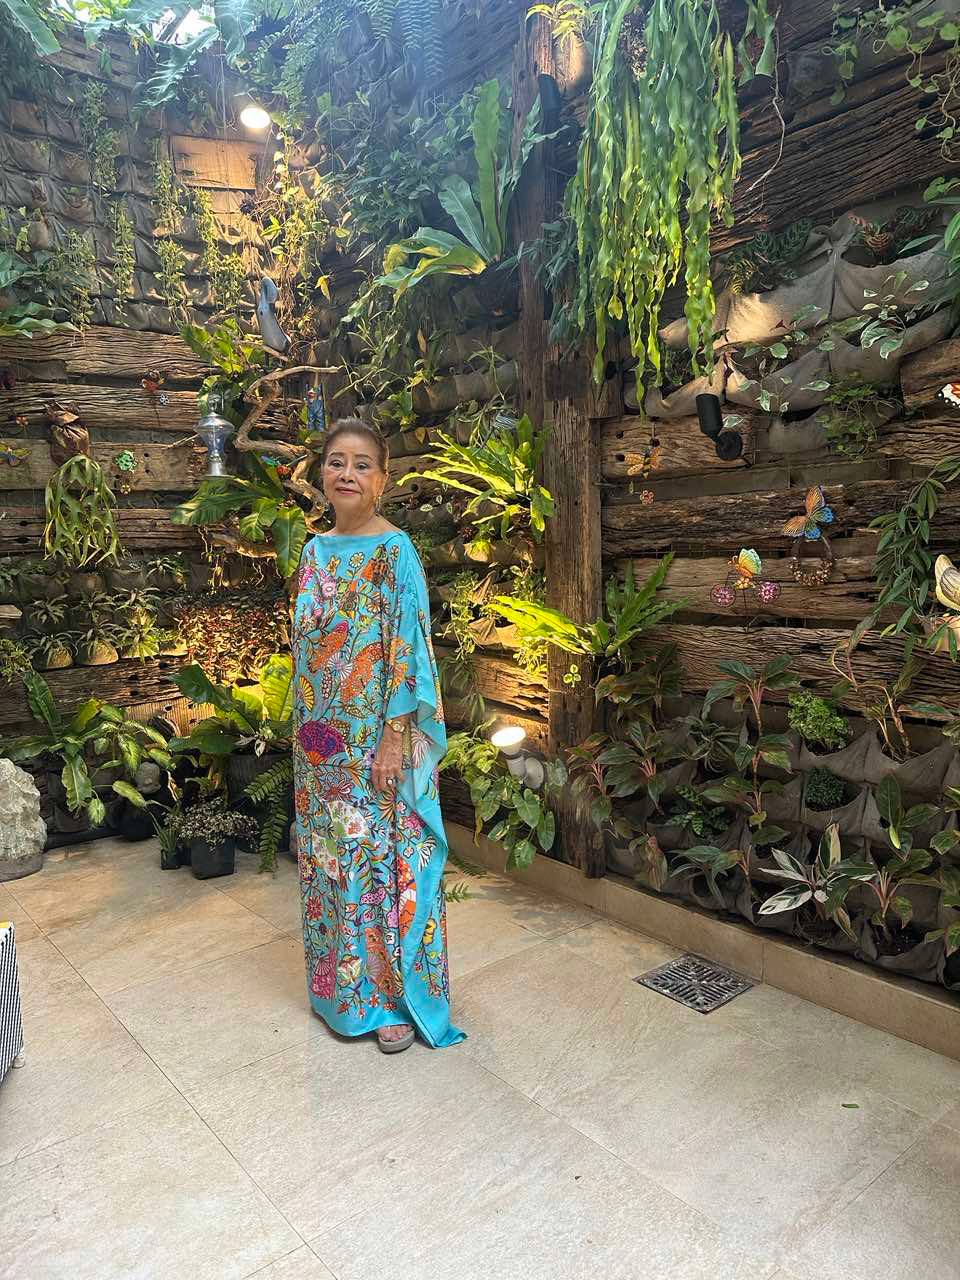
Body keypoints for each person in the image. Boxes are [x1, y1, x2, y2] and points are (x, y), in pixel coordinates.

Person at [291, 417, 466, 1053]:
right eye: (337, 461)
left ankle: (388, 1000)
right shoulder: (313, 551)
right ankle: (338, 993)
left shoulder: (396, 552)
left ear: (383, 480)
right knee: (329, 861)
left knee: (377, 862)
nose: (347, 474)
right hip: (318, 745)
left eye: (362, 464)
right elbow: (307, 650)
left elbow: (408, 650)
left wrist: (394, 738)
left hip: (375, 743)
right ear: (322, 474)